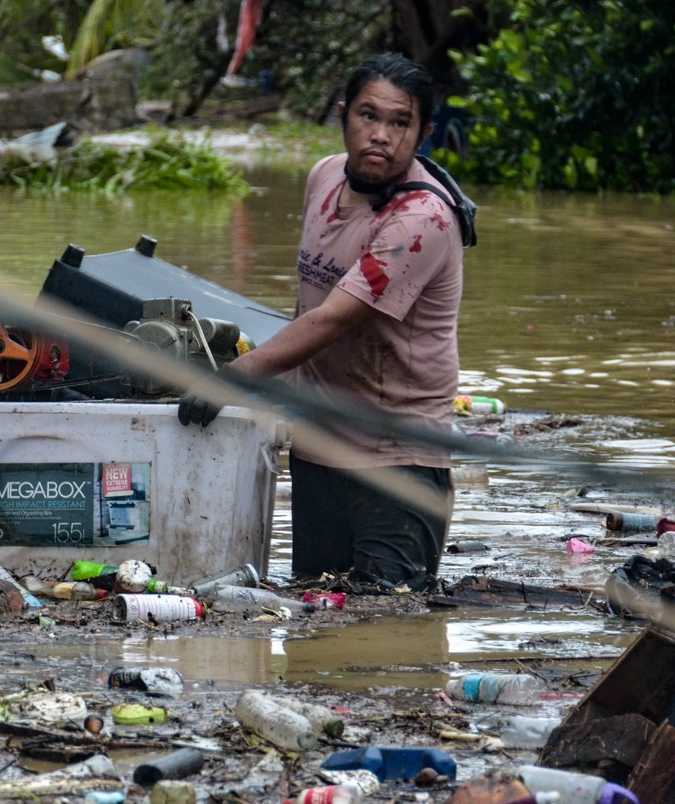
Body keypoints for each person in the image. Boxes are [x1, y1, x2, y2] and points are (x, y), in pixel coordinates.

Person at [179, 53, 465, 590]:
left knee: (386, 623)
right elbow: (306, 305)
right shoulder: (324, 177)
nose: (381, 135)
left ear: (423, 134)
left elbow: (333, 318)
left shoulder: (421, 220)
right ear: (342, 116)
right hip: (318, 447)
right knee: (317, 614)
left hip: (397, 458)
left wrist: (236, 377)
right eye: (368, 116)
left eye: (399, 123)